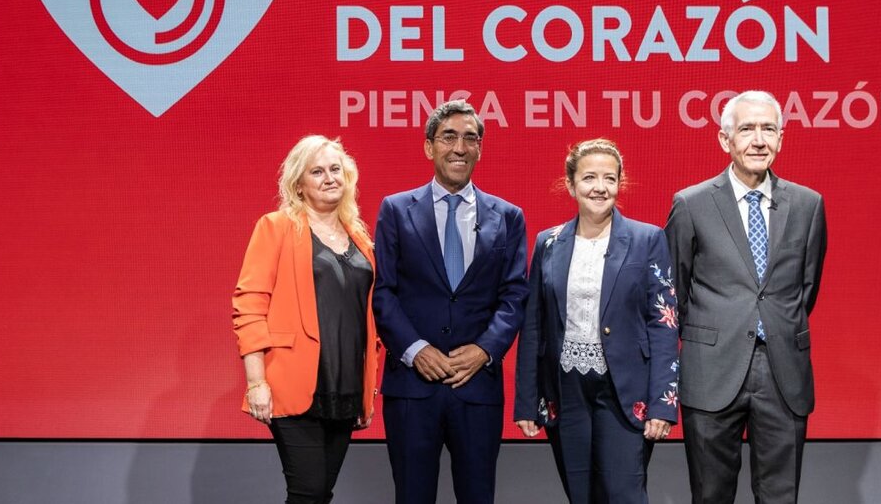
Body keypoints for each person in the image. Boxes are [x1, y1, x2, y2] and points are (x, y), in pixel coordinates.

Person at [665, 91, 827, 504]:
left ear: (781, 138)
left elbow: (806, 289)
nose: (758, 140)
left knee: (780, 495)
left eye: (768, 129)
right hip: (711, 370)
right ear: (725, 140)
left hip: (782, 372)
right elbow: (674, 292)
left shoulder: (808, 205)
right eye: (747, 129)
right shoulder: (692, 204)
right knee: (711, 494)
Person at [372, 99, 529, 504]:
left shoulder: (508, 216)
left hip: (476, 386)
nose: (459, 147)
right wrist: (415, 349)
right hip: (412, 386)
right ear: (429, 147)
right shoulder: (395, 209)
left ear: (480, 149)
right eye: (449, 137)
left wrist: (484, 350)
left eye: (470, 138)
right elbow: (384, 291)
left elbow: (514, 294)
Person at [514, 138, 680, 504]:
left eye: (609, 178)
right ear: (571, 184)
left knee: (623, 495)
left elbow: (664, 324)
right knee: (580, 494)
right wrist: (527, 402)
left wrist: (663, 403)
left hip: (625, 390)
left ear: (620, 184)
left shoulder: (647, 239)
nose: (600, 187)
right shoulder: (548, 243)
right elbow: (534, 327)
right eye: (589, 178)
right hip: (566, 390)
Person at [232, 136, 378, 504]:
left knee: (319, 494)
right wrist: (256, 383)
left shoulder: (359, 237)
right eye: (317, 171)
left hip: (346, 385)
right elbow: (249, 304)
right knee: (308, 492)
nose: (329, 178)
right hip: (294, 383)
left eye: (335, 169)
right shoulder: (277, 227)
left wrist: (368, 389)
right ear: (299, 184)